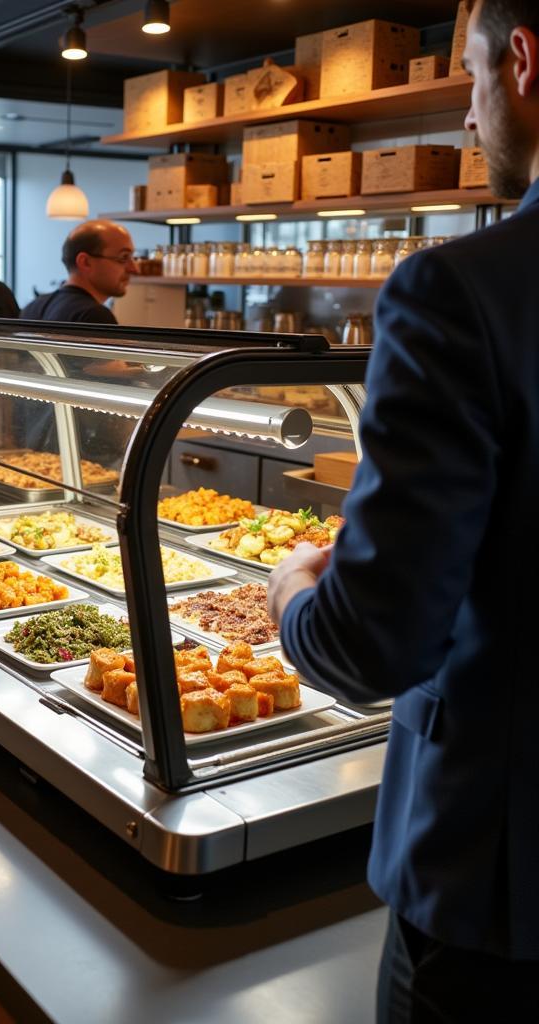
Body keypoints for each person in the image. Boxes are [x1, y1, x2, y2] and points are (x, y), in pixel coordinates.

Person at [266, 2, 539, 1020]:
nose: (470, 119)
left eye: (470, 78)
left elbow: (373, 641)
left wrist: (293, 589)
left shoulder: (459, 291)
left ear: (521, 60)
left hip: (496, 895)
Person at [20, 220, 137, 324]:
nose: (134, 269)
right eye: (123, 257)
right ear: (85, 262)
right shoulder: (93, 316)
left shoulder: (33, 307)